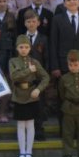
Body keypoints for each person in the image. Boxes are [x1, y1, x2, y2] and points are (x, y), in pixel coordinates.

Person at [9, 35, 50, 157]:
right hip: (19, 96)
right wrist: (28, 70)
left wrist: (38, 89)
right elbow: (14, 76)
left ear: (30, 48)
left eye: (26, 47)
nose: (24, 49)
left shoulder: (35, 62)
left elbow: (45, 77)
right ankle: (22, 152)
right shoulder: (13, 61)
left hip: (31, 96)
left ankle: (29, 151)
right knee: (21, 124)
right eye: (21, 47)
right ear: (17, 48)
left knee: (30, 124)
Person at [22, 9, 50, 141]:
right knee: (26, 102)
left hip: (39, 77)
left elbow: (47, 57)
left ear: (38, 23)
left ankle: (39, 128)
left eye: (34, 21)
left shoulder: (44, 39)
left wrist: (45, 74)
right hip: (25, 76)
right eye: (28, 21)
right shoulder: (21, 38)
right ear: (25, 23)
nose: (31, 24)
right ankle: (27, 129)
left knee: (40, 103)